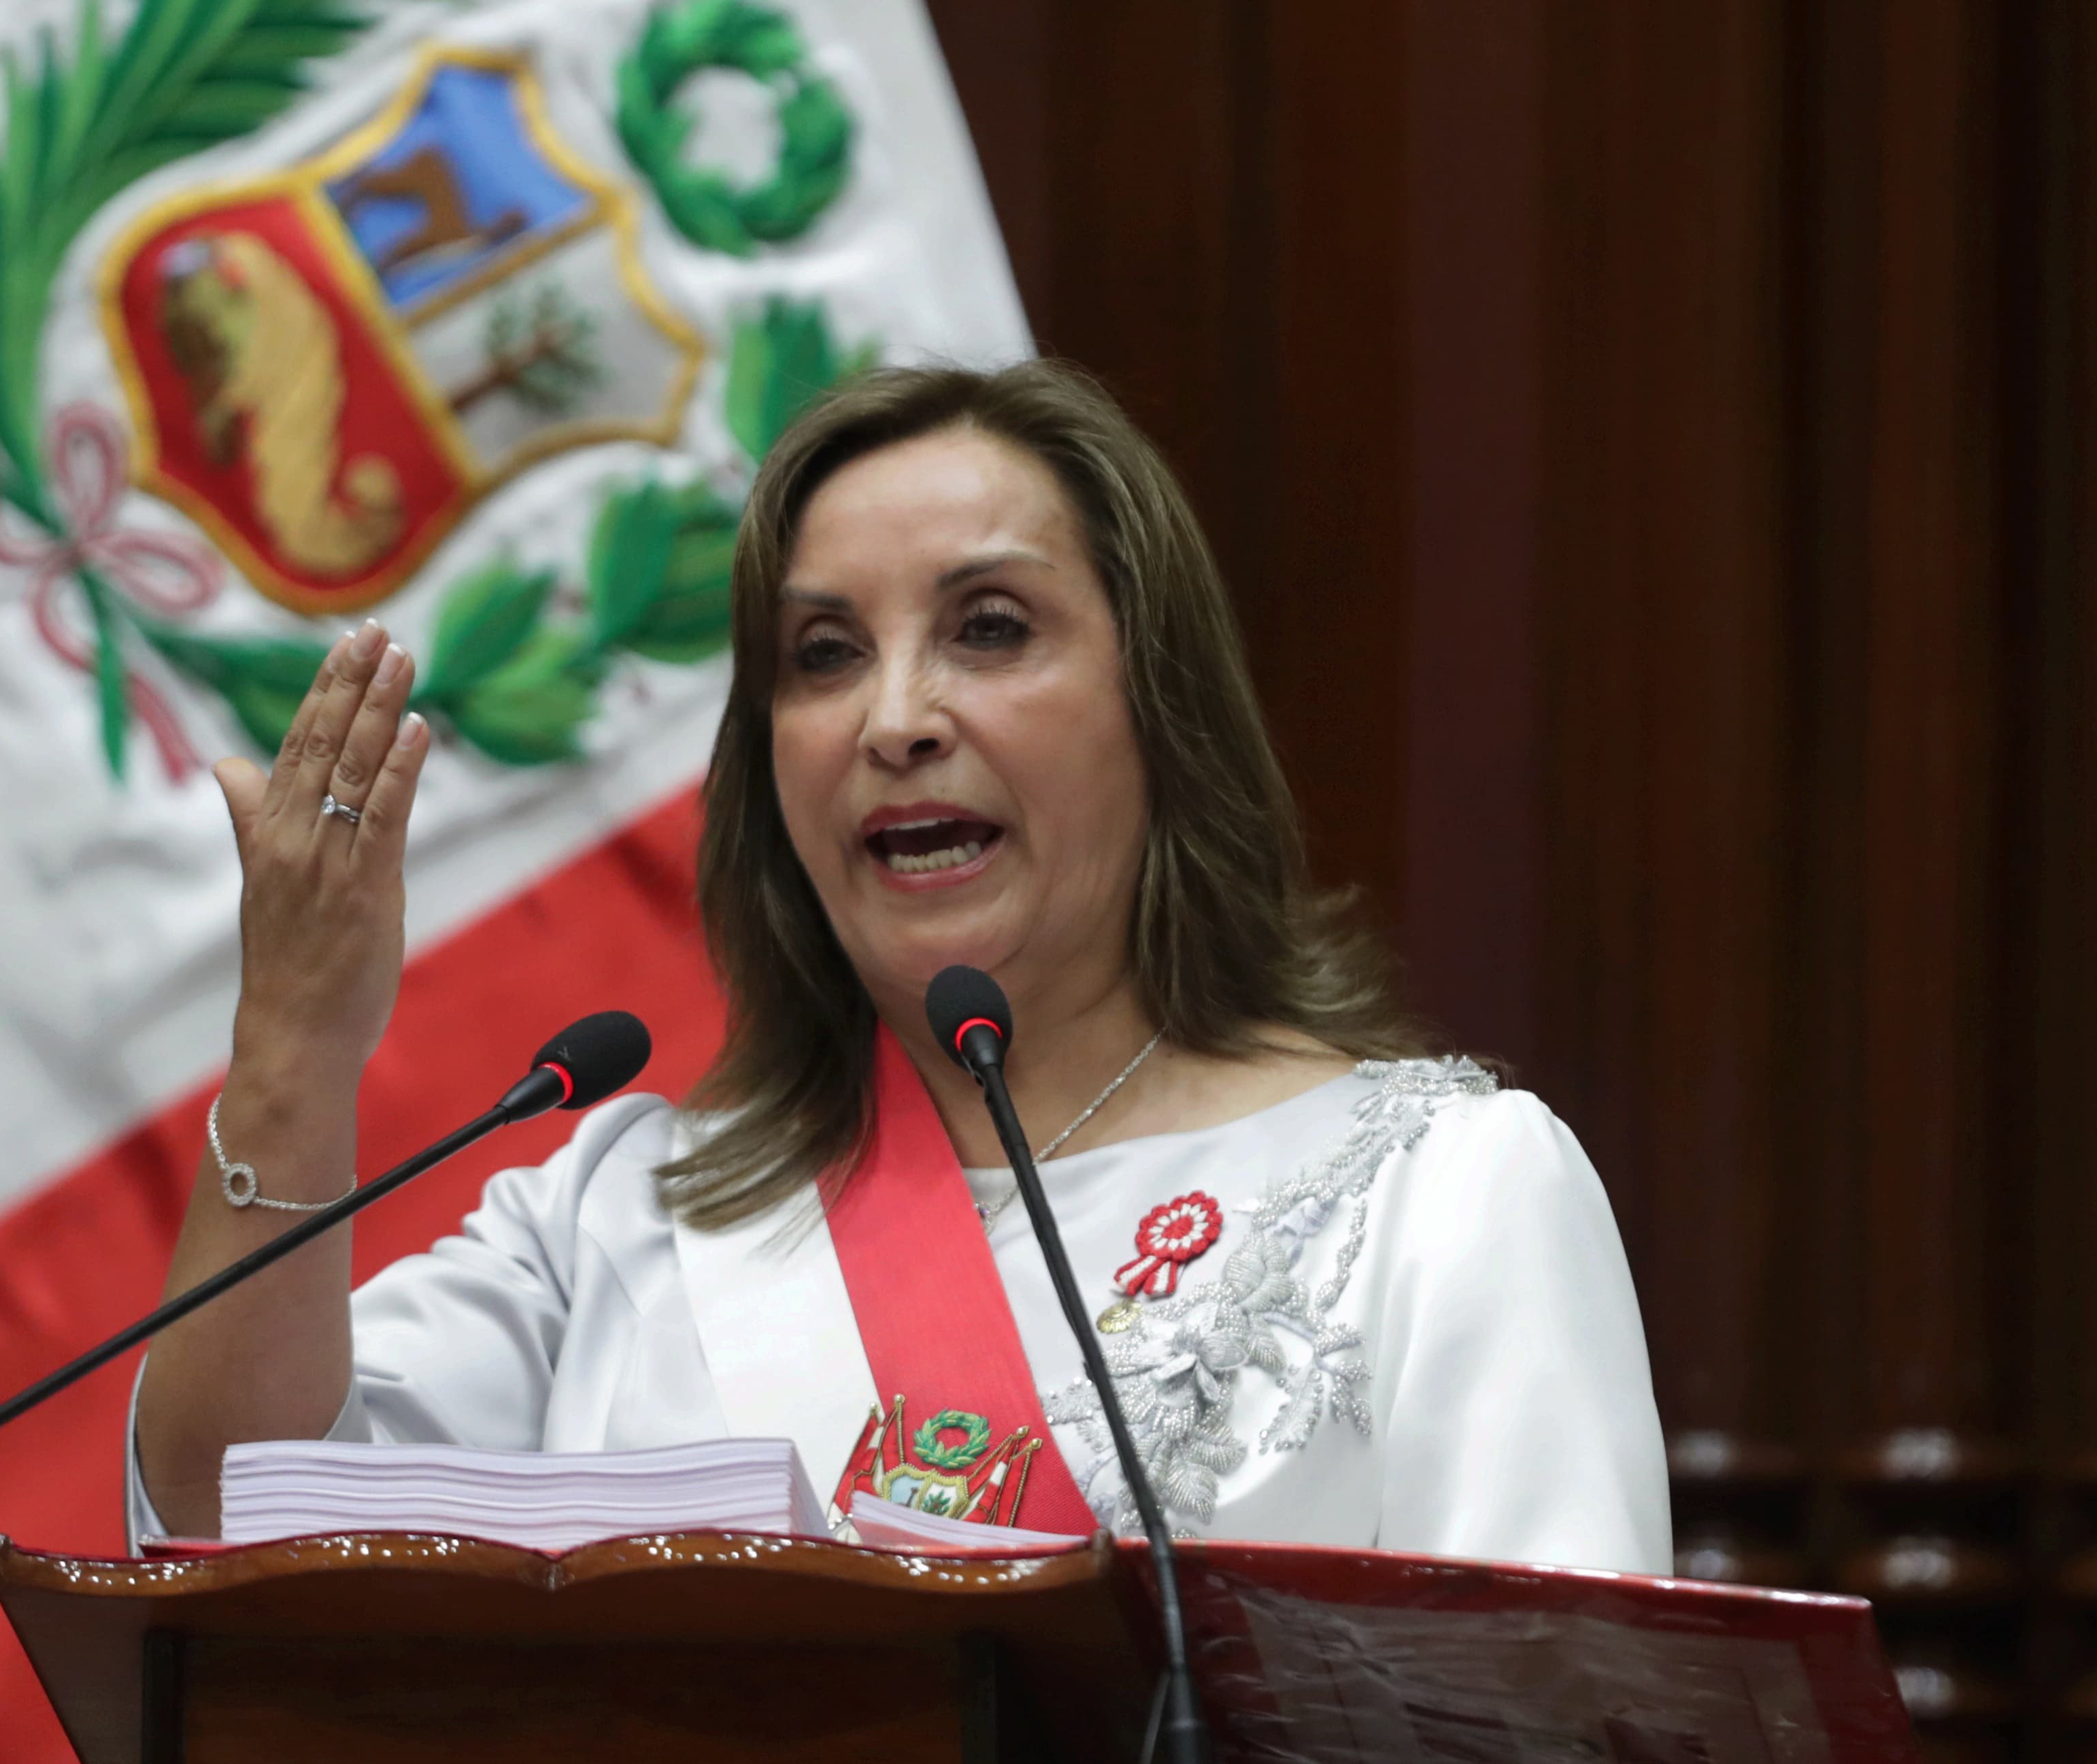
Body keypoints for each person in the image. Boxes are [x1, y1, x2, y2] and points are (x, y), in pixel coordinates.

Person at [131, 360, 1670, 1572]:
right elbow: (224, 1525)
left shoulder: (1439, 1189)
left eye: (989, 629)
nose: (895, 718)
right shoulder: (618, 1217)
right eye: (822, 655)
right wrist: (293, 1044)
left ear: (1158, 705)